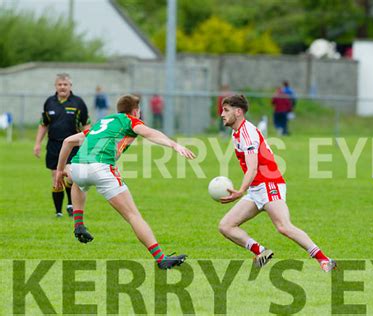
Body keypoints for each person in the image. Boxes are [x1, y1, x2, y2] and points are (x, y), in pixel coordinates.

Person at [54, 94, 196, 270]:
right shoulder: (130, 120)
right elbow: (150, 133)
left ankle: (79, 224)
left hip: (78, 167)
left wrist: (60, 171)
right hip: (101, 168)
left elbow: (68, 141)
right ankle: (161, 258)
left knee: (78, 181)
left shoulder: (103, 122)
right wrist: (174, 145)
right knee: (133, 215)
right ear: (136, 111)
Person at [218, 94, 336, 271]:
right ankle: (261, 252)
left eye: (226, 110)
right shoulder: (237, 133)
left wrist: (240, 190)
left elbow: (253, 167)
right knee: (226, 226)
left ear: (238, 111)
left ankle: (325, 260)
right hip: (257, 188)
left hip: (269, 184)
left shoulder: (247, 132)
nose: (222, 114)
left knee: (284, 226)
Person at [34, 73, 90, 217]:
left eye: (65, 84)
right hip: (53, 145)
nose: (62, 87)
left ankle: (71, 203)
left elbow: (86, 124)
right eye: (60, 84)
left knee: (70, 176)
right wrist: (37, 144)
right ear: (56, 86)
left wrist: (88, 144)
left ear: (70, 86)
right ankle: (58, 212)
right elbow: (43, 124)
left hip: (73, 145)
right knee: (55, 177)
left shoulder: (78, 103)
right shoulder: (49, 102)